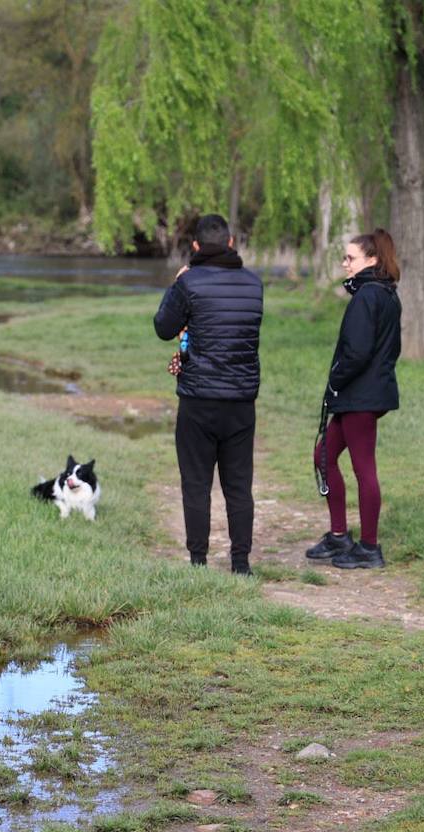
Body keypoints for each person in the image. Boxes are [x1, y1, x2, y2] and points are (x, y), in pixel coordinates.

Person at [154, 214, 263, 575]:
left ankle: (198, 562)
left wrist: (177, 284)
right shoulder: (254, 284)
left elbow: (163, 327)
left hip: (199, 401)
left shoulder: (189, 284)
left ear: (196, 247)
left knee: (196, 484)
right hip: (241, 403)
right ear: (231, 243)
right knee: (238, 486)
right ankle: (241, 564)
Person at [306, 229, 402, 569]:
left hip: (360, 395)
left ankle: (370, 547)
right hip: (362, 394)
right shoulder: (386, 294)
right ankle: (338, 536)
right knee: (324, 455)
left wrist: (336, 381)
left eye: (351, 258)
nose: (345, 264)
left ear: (372, 260)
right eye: (345, 258)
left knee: (364, 468)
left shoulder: (367, 296)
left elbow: (357, 352)